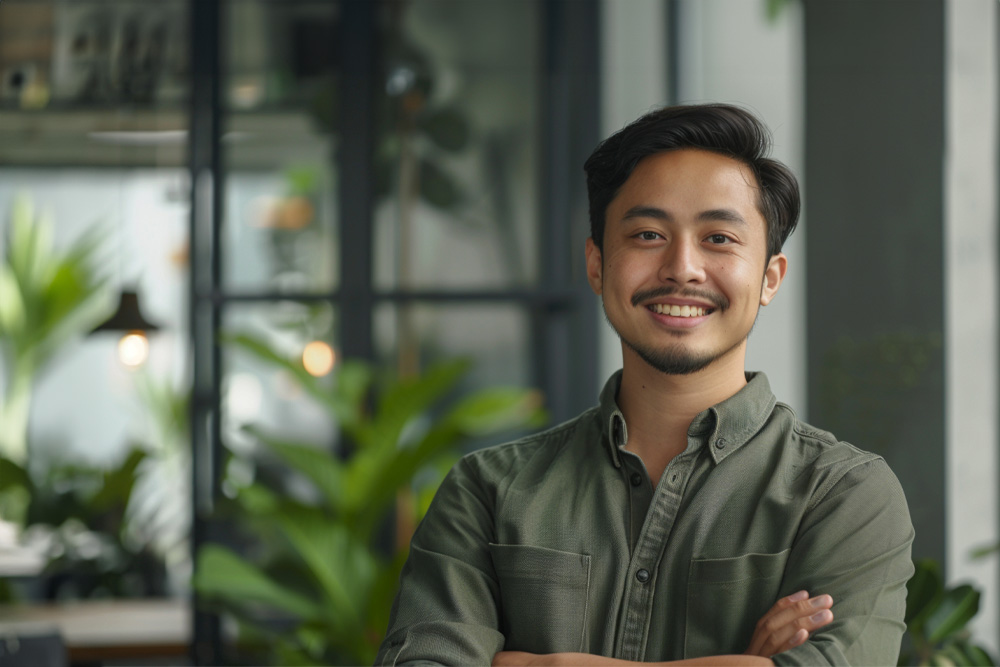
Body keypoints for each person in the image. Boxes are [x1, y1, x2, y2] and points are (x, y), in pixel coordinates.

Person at [375, 104, 914, 666]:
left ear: (769, 278)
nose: (683, 268)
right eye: (649, 234)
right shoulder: (487, 490)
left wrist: (538, 663)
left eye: (719, 238)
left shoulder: (841, 495)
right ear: (597, 265)